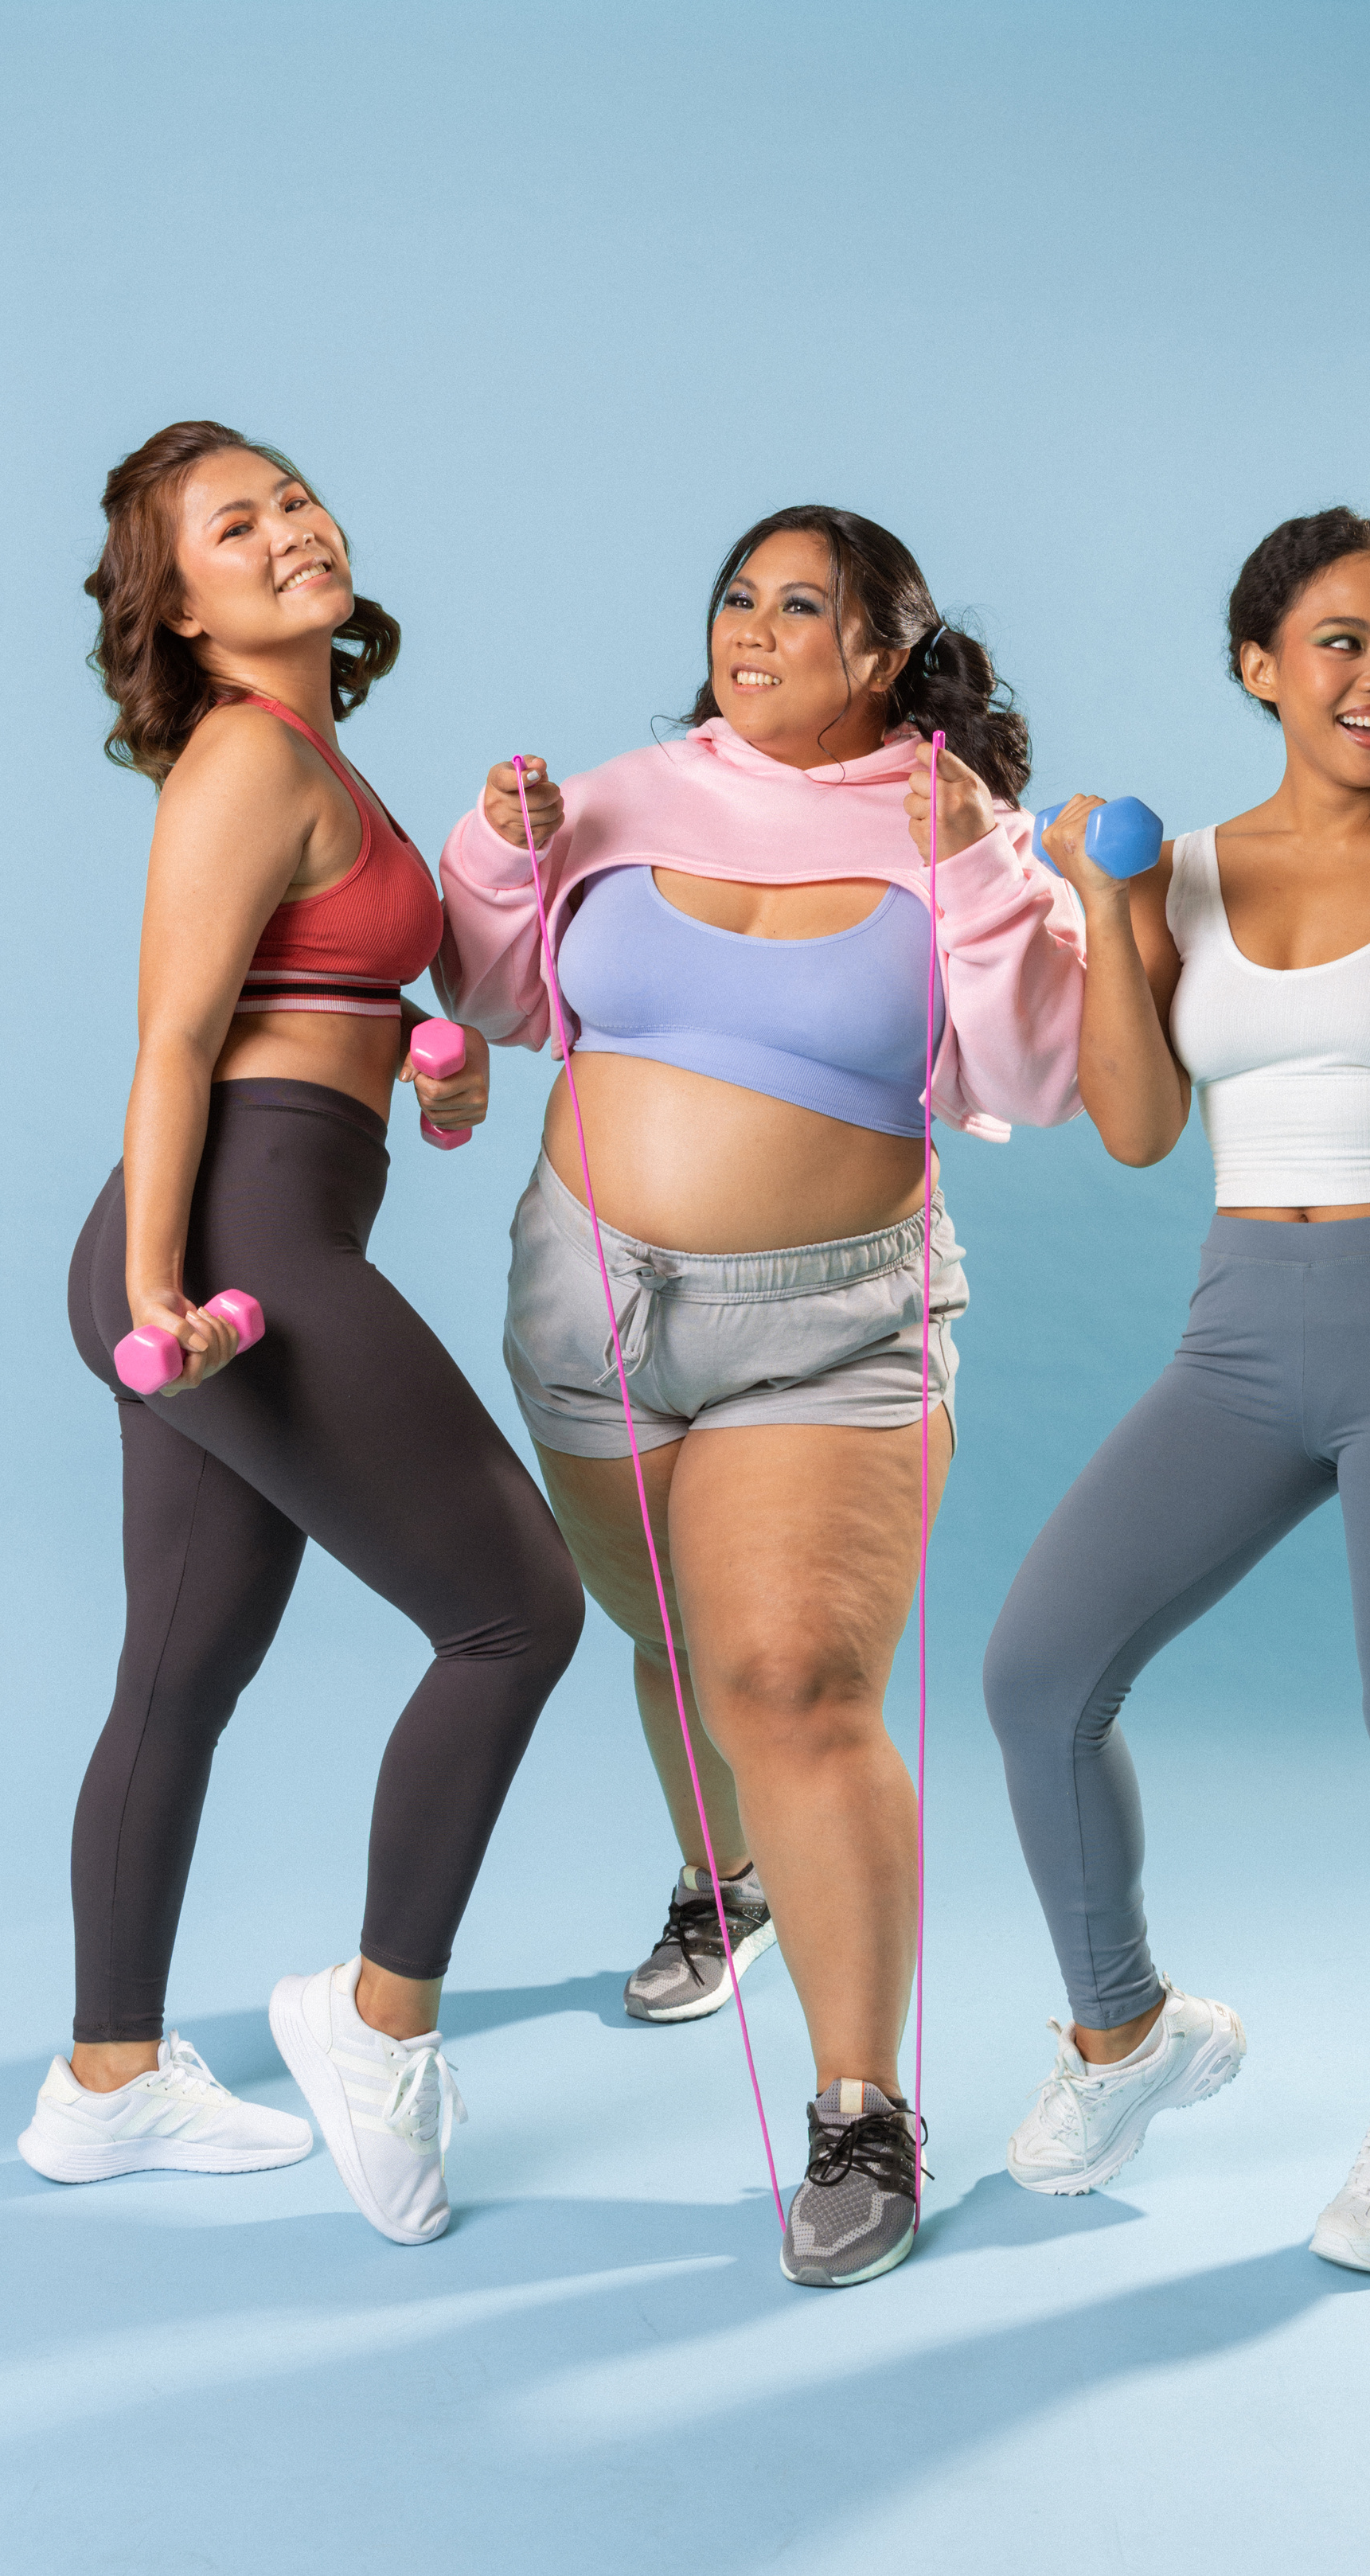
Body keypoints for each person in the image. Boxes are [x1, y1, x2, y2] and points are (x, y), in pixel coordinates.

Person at [435, 505, 1087, 2284]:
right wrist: (498, 856)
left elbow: (1037, 1072)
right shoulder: (622, 793)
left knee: (789, 1677)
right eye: (737, 595)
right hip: (587, 1294)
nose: (753, 628)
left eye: (802, 605)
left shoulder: (952, 821)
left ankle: (860, 2108)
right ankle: (722, 1883)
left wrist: (977, 875)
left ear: (884, 650)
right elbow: (493, 996)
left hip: (830, 1322)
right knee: (669, 1640)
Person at [983, 507, 1370, 2277]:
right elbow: (1132, 1129)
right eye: (1339, 641)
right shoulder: (1172, 871)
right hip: (1241, 1335)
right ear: (1258, 667)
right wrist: (1110, 906)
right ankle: (1126, 2032)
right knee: (1038, 1676)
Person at [19, 421, 584, 2248]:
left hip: (247, 1223)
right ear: (177, 609)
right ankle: (373, 2022)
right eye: (231, 526)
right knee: (517, 1613)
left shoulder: (315, 748)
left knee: (179, 1671)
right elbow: (177, 1040)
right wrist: (159, 1288)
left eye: (290, 497)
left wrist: (422, 1057)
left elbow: (314, 993)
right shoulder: (244, 757)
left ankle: (105, 2081)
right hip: (227, 1248)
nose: (286, 529)